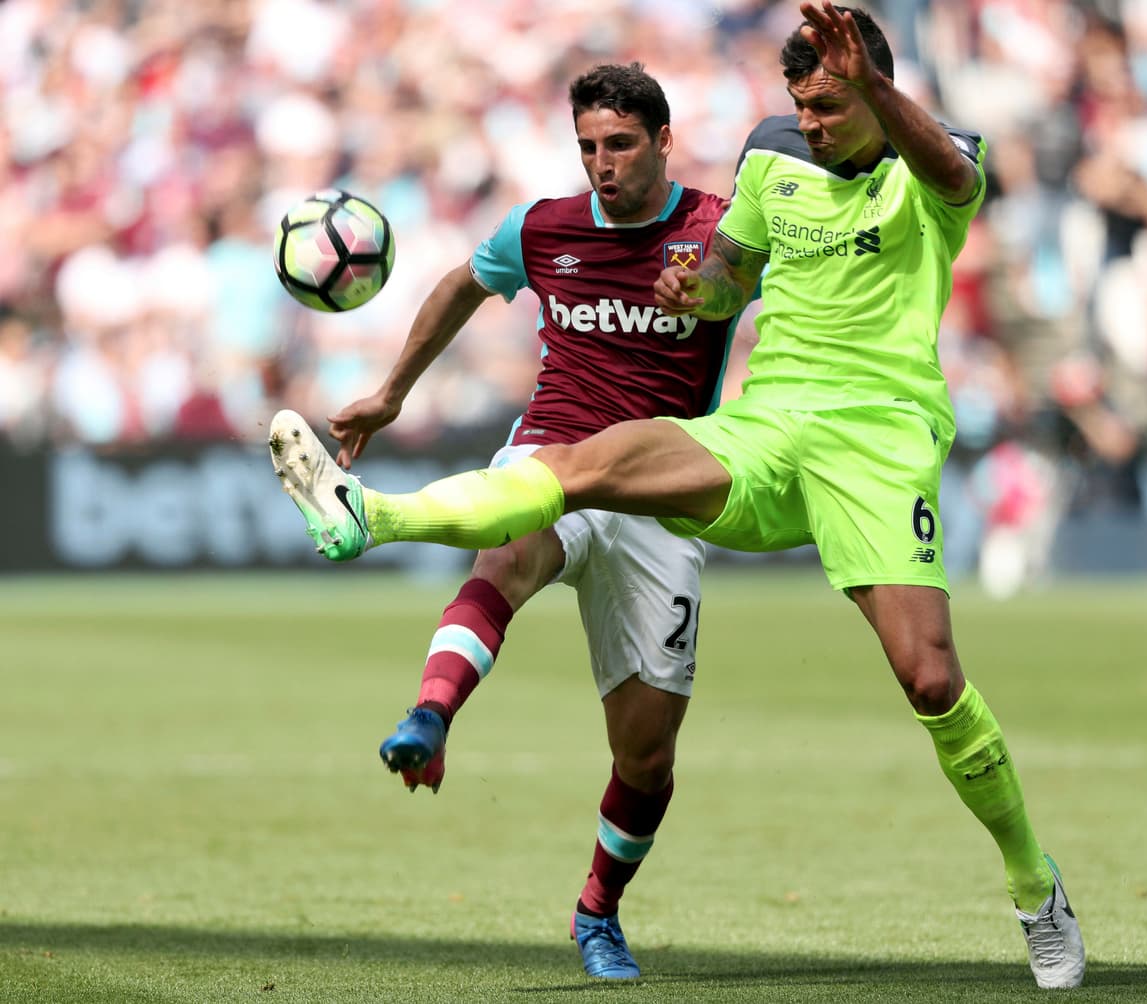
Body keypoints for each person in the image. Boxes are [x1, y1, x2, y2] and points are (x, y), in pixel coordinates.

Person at [270, 4, 1086, 990]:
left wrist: (868, 85)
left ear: (874, 89)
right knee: (584, 466)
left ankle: (1033, 884)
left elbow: (954, 176)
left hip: (877, 443)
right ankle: (372, 516)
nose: (812, 124)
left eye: (829, 105)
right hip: (768, 422)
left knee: (927, 679)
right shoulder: (768, 160)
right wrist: (696, 289)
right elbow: (727, 281)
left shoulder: (932, 166)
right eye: (801, 106)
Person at [270, 64, 736, 981]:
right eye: (589, 148)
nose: (603, 164)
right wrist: (392, 393)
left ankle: (597, 909)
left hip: (659, 491)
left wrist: (722, 312)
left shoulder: (716, 228)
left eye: (621, 145)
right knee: (510, 551)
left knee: (645, 759)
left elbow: (763, 295)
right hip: (553, 452)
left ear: (663, 141)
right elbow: (458, 285)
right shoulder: (542, 229)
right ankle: (429, 714)